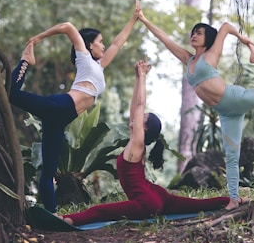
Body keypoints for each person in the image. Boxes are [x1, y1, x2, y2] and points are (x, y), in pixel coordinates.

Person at [138, 10, 254, 210]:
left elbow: (226, 27)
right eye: (193, 32)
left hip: (236, 98)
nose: (194, 35)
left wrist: (244, 40)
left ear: (207, 38)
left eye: (199, 33)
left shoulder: (211, 55)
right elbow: (165, 39)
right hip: (226, 112)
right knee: (231, 156)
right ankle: (234, 199)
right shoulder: (189, 60)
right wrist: (143, 18)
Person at [61, 58, 230, 226]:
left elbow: (141, 104)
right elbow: (135, 107)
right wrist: (137, 77)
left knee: (98, 211)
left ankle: (68, 220)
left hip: (146, 203)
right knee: (196, 205)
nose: (137, 116)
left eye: (142, 117)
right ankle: (234, 200)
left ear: (145, 129)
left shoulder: (137, 145)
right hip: (155, 195)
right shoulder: (135, 144)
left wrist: (143, 76)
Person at [9, 0, 140, 213]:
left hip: (59, 120)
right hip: (58, 106)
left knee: (48, 173)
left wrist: (134, 19)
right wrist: (39, 37)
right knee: (12, 93)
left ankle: (50, 215)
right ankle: (25, 60)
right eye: (100, 42)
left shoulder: (98, 66)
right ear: (89, 45)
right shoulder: (84, 56)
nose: (104, 45)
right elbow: (68, 27)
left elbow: (118, 43)